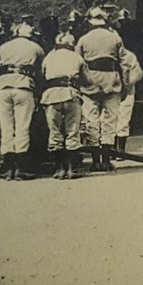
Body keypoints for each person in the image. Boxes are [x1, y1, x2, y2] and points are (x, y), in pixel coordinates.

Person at [75, 6, 125, 170]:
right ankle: (106, 160)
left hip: (90, 80)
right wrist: (125, 84)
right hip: (111, 79)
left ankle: (95, 161)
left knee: (91, 120)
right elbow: (123, 62)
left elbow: (77, 62)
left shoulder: (83, 39)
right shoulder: (115, 37)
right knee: (110, 120)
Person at [0, 21, 44, 180]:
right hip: (24, 84)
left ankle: (8, 166)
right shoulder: (35, 47)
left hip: (3, 85)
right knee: (22, 126)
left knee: (6, 127)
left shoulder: (3, 47)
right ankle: (22, 167)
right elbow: (41, 68)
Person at [41, 31, 90, 179]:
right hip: (70, 94)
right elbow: (87, 79)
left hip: (51, 95)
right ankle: (71, 169)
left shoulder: (49, 56)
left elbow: (43, 74)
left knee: (54, 132)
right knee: (72, 131)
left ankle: (59, 169)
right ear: (71, 44)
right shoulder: (77, 57)